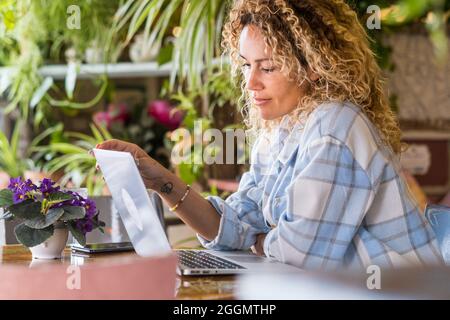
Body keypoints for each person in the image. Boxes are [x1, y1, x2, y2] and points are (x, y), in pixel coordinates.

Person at [95, 0, 443, 270]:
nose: (250, 83)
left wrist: (260, 241)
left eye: (269, 67)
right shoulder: (281, 129)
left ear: (314, 67)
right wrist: (161, 181)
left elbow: (301, 253)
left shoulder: (336, 127)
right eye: (247, 64)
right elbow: (235, 223)